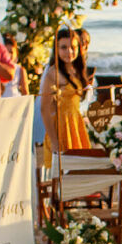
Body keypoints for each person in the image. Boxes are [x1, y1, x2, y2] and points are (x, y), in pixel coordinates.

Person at [38, 27, 91, 169]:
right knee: (64, 174)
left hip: (76, 124)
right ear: (56, 49)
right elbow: (44, 109)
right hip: (61, 127)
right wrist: (54, 141)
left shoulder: (77, 69)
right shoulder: (53, 73)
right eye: (64, 47)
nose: (69, 52)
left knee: (81, 171)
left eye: (73, 47)